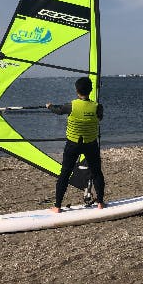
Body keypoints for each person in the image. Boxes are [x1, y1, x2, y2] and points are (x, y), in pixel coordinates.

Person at [46, 77, 105, 212]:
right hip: (91, 144)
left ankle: (57, 206)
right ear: (90, 90)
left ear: (77, 90)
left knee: (65, 173)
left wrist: (49, 106)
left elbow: (58, 110)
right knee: (96, 173)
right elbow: (99, 117)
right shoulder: (98, 107)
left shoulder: (71, 106)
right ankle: (100, 203)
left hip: (73, 144)